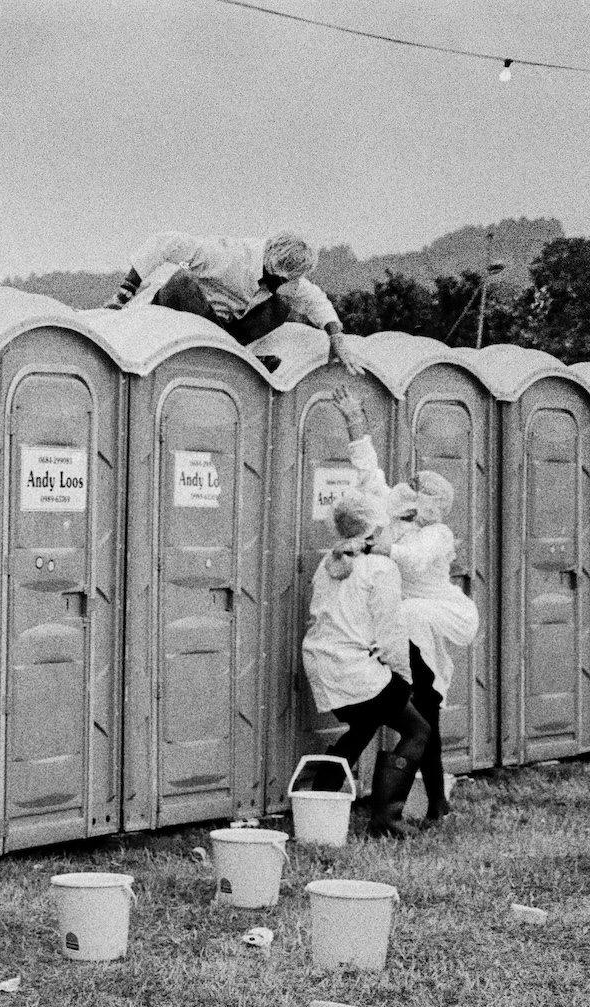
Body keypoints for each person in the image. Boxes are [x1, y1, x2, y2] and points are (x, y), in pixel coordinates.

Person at [332, 386, 481, 824]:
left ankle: (430, 802)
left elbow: (413, 561)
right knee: (410, 711)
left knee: (424, 709)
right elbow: (368, 472)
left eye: (417, 493)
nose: (408, 494)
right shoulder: (394, 518)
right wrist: (355, 422)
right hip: (397, 621)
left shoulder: (437, 535)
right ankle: (426, 804)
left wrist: (381, 550)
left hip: (425, 617)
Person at [299, 404, 428, 838]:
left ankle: (319, 797)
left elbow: (370, 476)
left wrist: (355, 424)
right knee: (416, 729)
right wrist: (403, 677)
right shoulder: (379, 568)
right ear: (374, 531)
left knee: (365, 722)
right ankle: (386, 819)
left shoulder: (329, 561)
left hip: (325, 665)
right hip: (355, 669)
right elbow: (391, 635)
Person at [107, 230, 363, 375]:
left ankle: (233, 354)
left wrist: (336, 336)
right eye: (294, 278)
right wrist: (124, 293)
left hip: (220, 326)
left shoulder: (280, 281)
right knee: (185, 281)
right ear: (278, 271)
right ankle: (238, 356)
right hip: (179, 306)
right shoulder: (229, 257)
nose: (298, 283)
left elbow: (315, 300)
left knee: (281, 307)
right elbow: (166, 243)